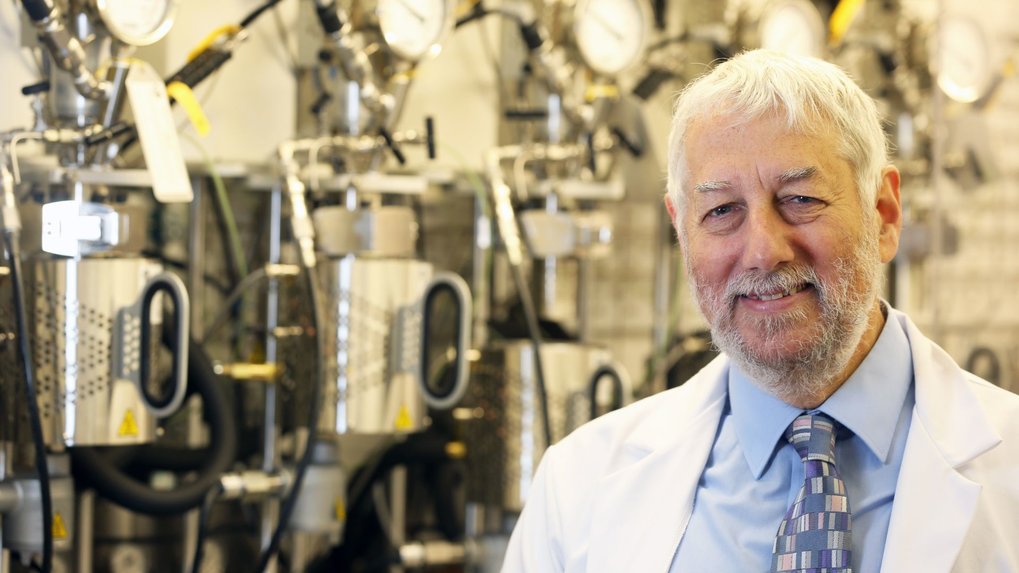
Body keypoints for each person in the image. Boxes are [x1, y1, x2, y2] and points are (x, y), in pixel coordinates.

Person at [502, 50, 1019, 572]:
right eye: (722, 210)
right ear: (680, 229)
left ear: (883, 214)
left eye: (800, 199)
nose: (762, 251)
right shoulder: (578, 490)